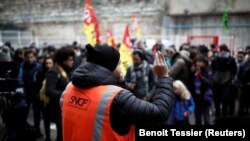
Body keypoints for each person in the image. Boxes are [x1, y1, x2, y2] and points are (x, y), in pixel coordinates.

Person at [61, 44, 174, 141]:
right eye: (119, 64)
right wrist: (163, 77)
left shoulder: (69, 88)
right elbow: (160, 113)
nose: (121, 68)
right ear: (110, 67)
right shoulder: (115, 97)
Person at [45, 46, 74, 141]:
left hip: (64, 107)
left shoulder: (66, 71)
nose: (72, 62)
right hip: (56, 108)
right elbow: (49, 91)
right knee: (61, 133)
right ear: (63, 60)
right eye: (70, 60)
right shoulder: (53, 72)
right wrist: (66, 94)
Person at [19, 49, 42, 136]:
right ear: (25, 57)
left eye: (31, 57)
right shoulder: (22, 66)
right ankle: (24, 130)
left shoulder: (39, 67)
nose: (30, 59)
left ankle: (37, 130)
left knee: (37, 114)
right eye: (28, 57)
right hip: (26, 94)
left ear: (34, 57)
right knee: (24, 113)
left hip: (36, 94)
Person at [211, 44, 237, 117]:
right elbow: (212, 69)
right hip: (216, 81)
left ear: (226, 51)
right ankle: (218, 114)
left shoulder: (231, 59)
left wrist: (231, 78)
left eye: (224, 50)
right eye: (221, 50)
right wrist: (213, 77)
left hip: (226, 82)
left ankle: (224, 114)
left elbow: (234, 70)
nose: (222, 52)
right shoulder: (215, 59)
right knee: (216, 100)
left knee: (225, 99)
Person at [35, 57, 54, 141]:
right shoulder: (40, 73)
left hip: (53, 101)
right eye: (47, 63)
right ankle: (48, 137)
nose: (48, 65)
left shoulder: (56, 73)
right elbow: (37, 86)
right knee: (46, 120)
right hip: (43, 101)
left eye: (50, 63)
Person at [193, 55, 213, 125]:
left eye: (200, 62)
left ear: (204, 63)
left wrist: (200, 76)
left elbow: (209, 83)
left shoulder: (208, 72)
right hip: (197, 98)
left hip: (205, 98)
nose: (198, 63)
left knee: (206, 118)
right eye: (197, 62)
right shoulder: (194, 71)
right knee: (197, 119)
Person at [238, 50, 250, 116]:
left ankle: (247, 111)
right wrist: (241, 85)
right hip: (244, 85)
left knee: (248, 102)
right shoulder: (243, 64)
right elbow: (239, 76)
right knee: (242, 101)